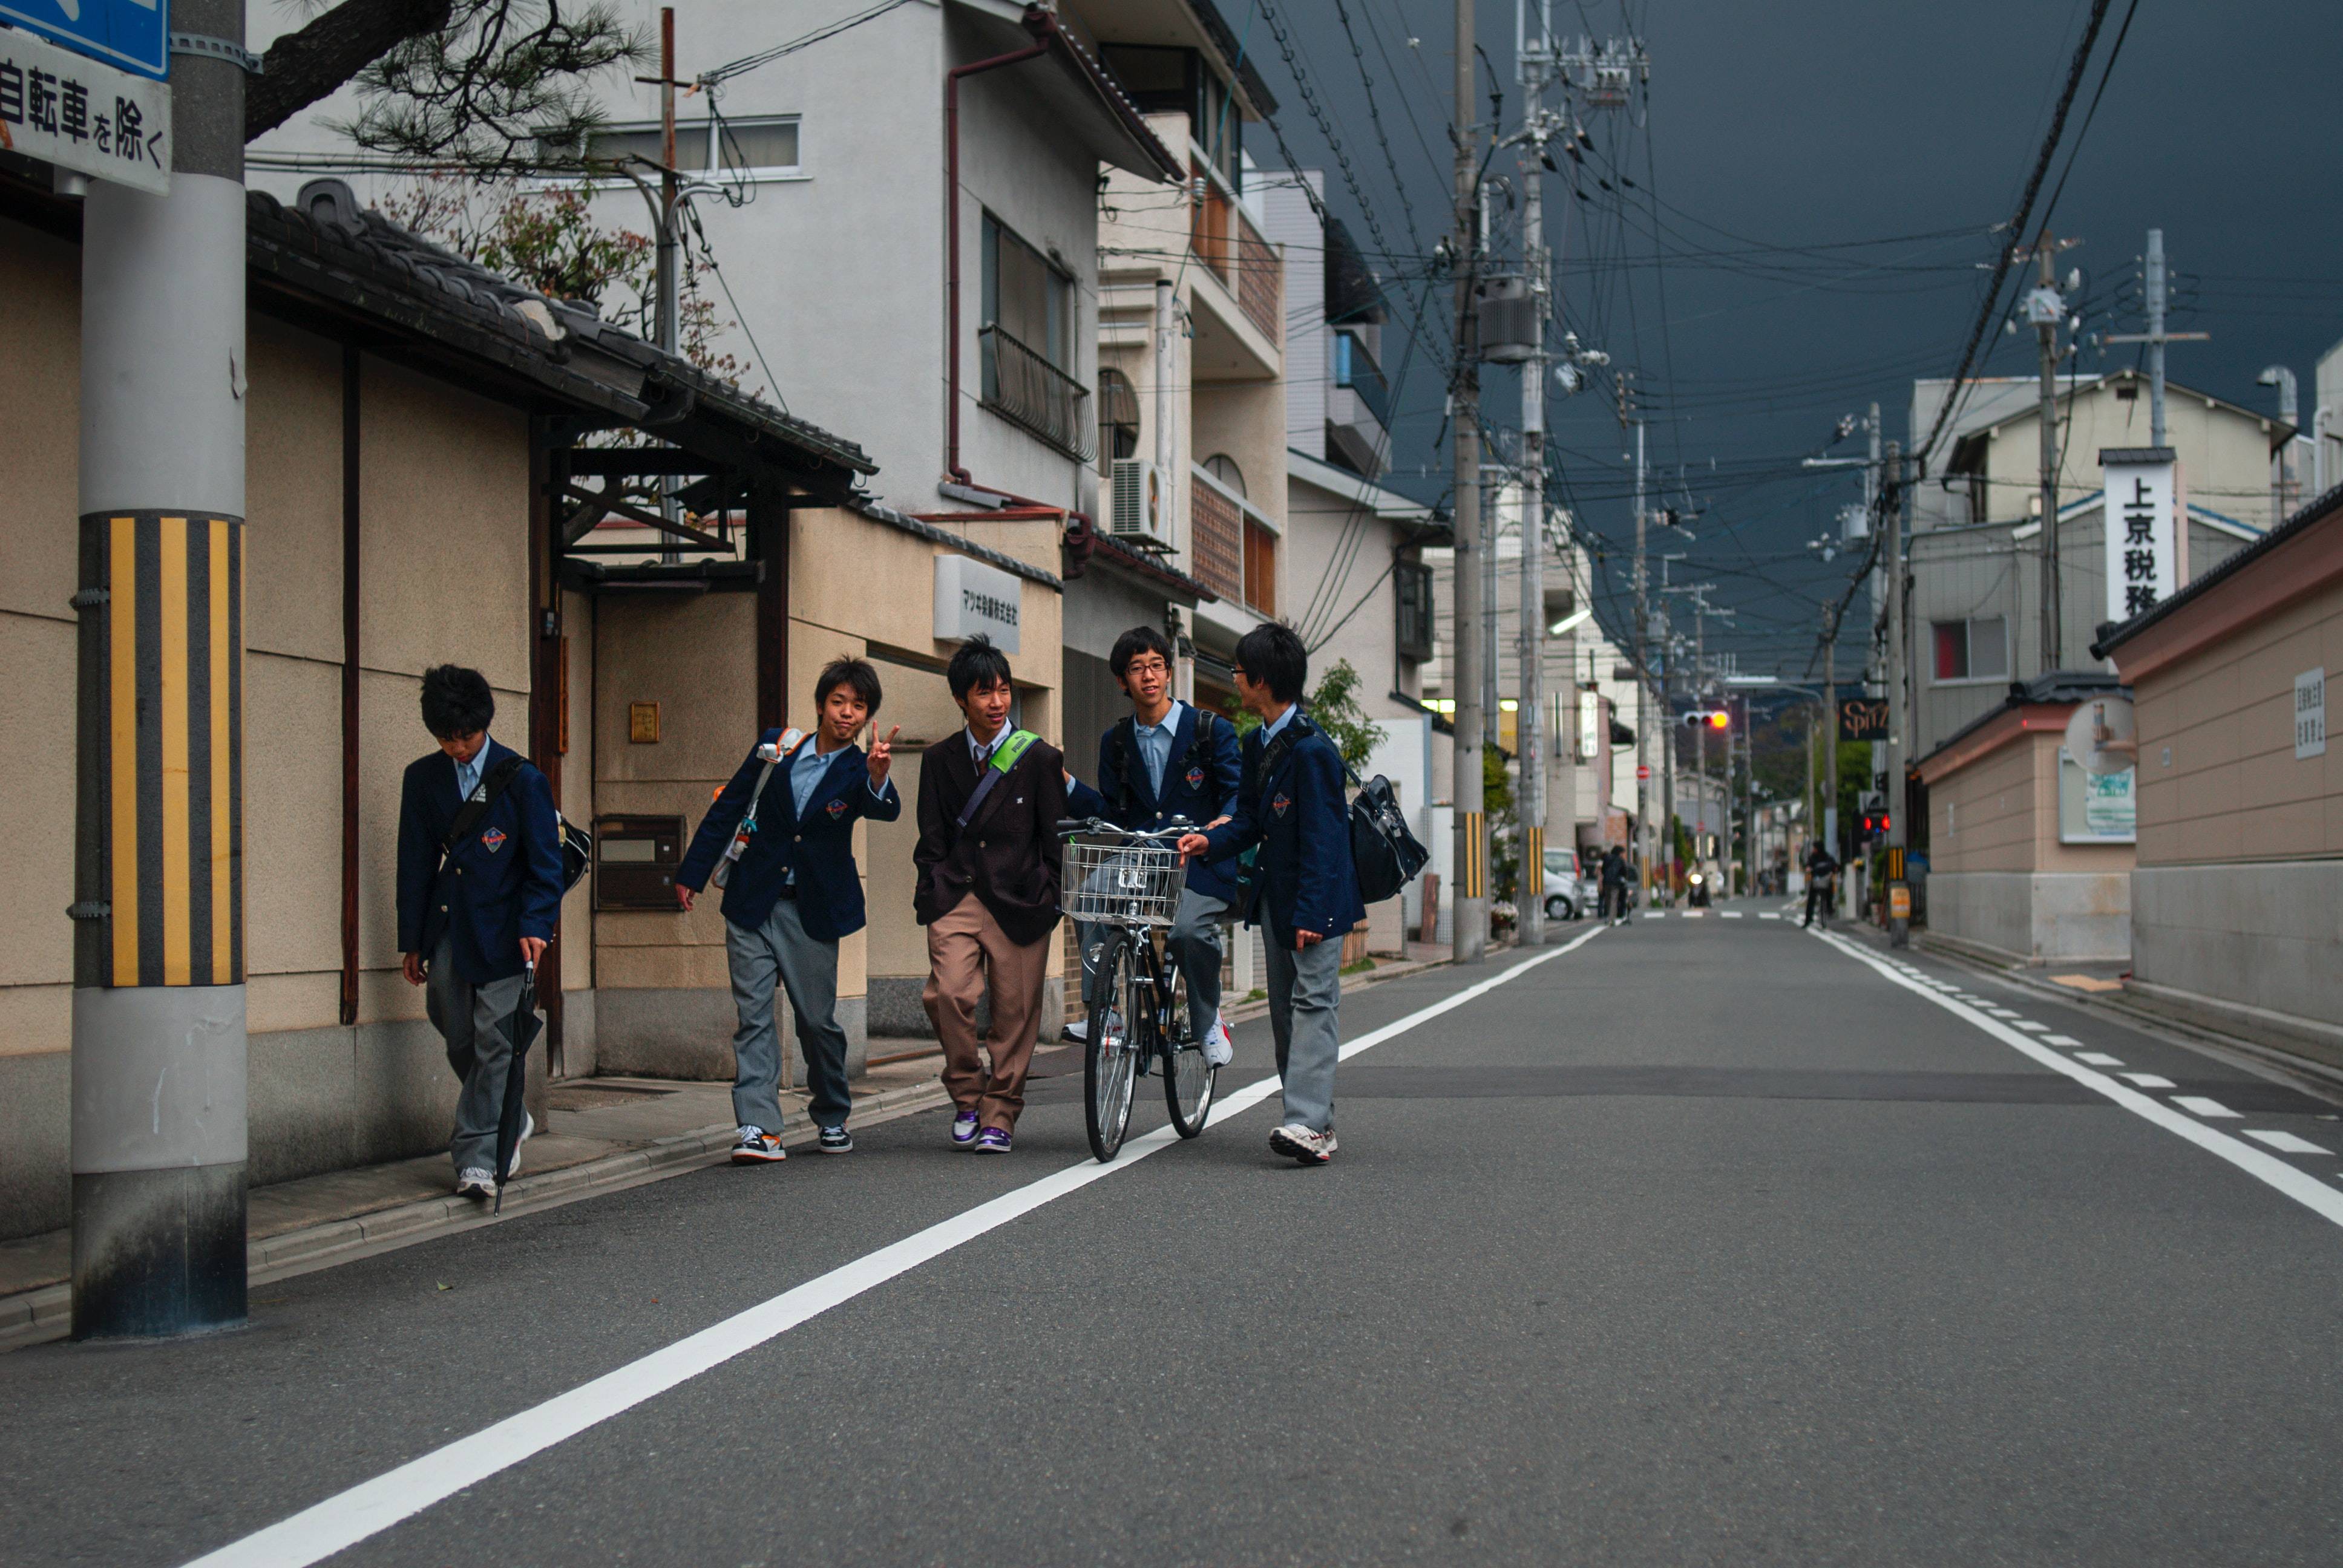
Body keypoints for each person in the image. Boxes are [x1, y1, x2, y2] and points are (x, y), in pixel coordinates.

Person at [675, 658, 902, 1163]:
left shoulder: (858, 767)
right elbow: (729, 806)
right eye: (839, 702)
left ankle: (831, 1111)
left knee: (816, 1021)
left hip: (812, 911)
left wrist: (879, 777)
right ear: (821, 704)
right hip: (753, 902)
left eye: (858, 707)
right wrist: (693, 873)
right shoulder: (779, 747)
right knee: (753, 1017)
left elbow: (885, 808)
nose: (847, 713)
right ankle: (760, 1128)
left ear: (867, 717)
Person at [1179, 622, 1364, 1167]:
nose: (1235, 678)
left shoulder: (1313, 751)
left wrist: (1313, 912)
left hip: (1316, 902)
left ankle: (1304, 1122)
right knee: (1286, 1013)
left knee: (1312, 1004)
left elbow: (1326, 841)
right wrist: (1210, 840)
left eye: (1238, 671)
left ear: (1260, 679)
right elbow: (1252, 820)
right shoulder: (1258, 740)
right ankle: (1317, 1124)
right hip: (1279, 899)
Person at [397, 665, 565, 1199]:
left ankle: (477, 1156)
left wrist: (538, 924)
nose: (457, 748)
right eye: (446, 739)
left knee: (497, 1040)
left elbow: (546, 864)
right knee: (457, 1031)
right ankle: (510, 1113)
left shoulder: (523, 779)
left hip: (508, 933)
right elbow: (414, 862)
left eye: (465, 737)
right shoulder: (422, 779)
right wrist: (413, 940)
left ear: (484, 725)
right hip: (447, 928)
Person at [1063, 626, 1244, 1067]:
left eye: (1157, 666)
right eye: (1137, 668)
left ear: (1168, 674)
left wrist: (1224, 821)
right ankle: (1107, 1016)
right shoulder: (1117, 741)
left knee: (1186, 933)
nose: (1149, 676)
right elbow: (1113, 812)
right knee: (1085, 899)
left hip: (1201, 860)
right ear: (1123, 681)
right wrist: (1067, 785)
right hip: (1144, 860)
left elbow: (1240, 793)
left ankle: (1207, 1022)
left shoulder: (1208, 730)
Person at [914, 636, 1067, 1154]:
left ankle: (1000, 1114)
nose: (997, 702)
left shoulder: (1040, 758)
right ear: (962, 699)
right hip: (957, 894)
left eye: (1003, 690)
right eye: (984, 693)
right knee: (948, 994)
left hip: (1022, 899)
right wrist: (931, 888)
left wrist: (1050, 895)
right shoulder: (939, 760)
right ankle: (966, 1095)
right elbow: (930, 837)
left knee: (1014, 1014)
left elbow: (1056, 838)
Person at [1803, 841, 1840, 929]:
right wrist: (1808, 868)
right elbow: (1808, 865)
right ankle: (1808, 919)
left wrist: (1835, 869)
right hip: (1816, 880)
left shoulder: (1827, 857)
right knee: (1811, 899)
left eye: (1815, 848)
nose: (1814, 850)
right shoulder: (1813, 857)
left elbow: (1834, 866)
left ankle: (1829, 909)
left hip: (1825, 880)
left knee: (1829, 892)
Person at [1600, 844, 1632, 926]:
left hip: (1606, 882)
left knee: (1607, 900)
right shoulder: (1620, 860)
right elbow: (1624, 871)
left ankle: (1607, 917)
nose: (1622, 854)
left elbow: (1603, 870)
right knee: (1614, 901)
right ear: (1619, 852)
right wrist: (1623, 878)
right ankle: (1612, 919)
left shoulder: (1606, 858)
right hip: (1616, 883)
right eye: (1622, 853)